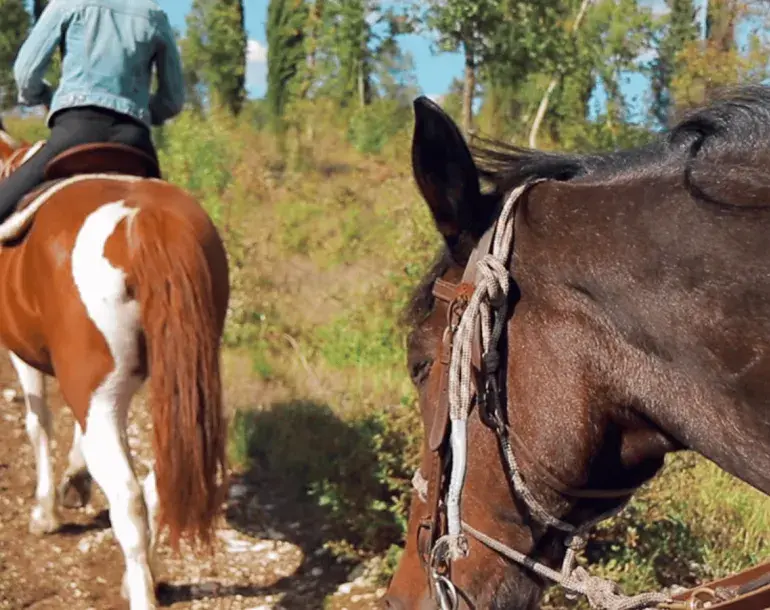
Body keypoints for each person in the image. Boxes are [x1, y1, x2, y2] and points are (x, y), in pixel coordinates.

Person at [0, 0, 185, 222]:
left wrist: (45, 97)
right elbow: (172, 100)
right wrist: (139, 108)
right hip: (134, 140)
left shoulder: (67, 4)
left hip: (76, 132)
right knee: (167, 217)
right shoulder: (154, 14)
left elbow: (25, 73)